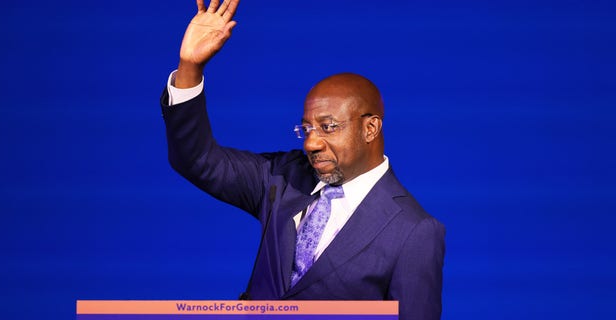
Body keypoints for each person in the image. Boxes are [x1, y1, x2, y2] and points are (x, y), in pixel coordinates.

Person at [160, 1, 445, 319]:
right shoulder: (281, 178)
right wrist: (189, 68)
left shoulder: (415, 230)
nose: (311, 142)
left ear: (370, 128)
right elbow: (196, 160)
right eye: (306, 128)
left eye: (328, 127)